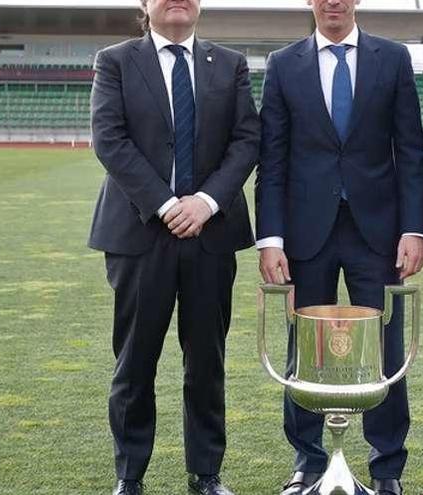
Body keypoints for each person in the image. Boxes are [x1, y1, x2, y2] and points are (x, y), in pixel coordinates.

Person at [255, 1, 423, 494]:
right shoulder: (284, 64)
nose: (333, 1)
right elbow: (272, 159)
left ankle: (387, 468)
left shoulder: (392, 59)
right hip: (306, 233)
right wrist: (271, 239)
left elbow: (412, 150)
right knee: (302, 350)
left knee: (385, 351)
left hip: (379, 233)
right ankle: (307, 462)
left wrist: (414, 228)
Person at [88, 0, 260, 493]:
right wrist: (167, 205)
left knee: (207, 360)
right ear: (145, 4)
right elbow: (109, 139)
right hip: (140, 236)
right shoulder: (116, 60)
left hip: (211, 235)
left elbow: (247, 139)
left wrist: (205, 203)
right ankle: (129, 476)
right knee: (135, 361)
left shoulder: (230, 64)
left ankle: (206, 474)